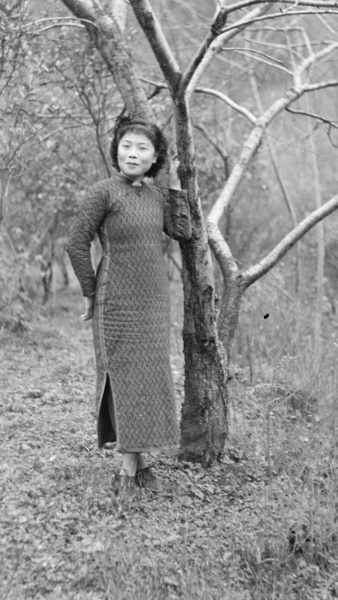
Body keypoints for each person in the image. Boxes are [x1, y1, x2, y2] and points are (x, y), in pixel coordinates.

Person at [67, 116, 192, 502]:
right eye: (126, 145)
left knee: (150, 378)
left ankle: (138, 463)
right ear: (116, 150)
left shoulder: (156, 195)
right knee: (124, 377)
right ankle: (130, 467)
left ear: (155, 157)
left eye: (141, 148)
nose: (132, 153)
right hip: (115, 300)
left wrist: (173, 186)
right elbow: (76, 243)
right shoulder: (103, 192)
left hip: (154, 300)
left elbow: (184, 230)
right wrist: (90, 291)